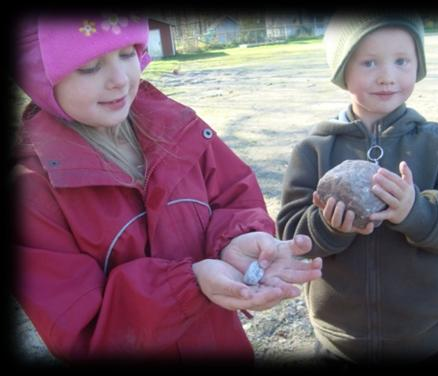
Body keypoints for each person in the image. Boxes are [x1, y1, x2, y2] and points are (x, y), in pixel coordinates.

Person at [12, 14, 322, 364]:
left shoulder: (176, 128)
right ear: (41, 77)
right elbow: (82, 329)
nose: (119, 80)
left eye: (128, 54)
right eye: (89, 66)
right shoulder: (32, 193)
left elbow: (233, 194)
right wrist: (189, 284)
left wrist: (237, 241)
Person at [277, 11, 438, 367]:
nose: (388, 76)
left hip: (422, 340)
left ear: (418, 65)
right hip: (340, 339)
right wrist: (328, 227)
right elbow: (290, 235)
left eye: (402, 61)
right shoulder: (313, 149)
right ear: (343, 71)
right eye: (369, 62)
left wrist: (416, 211)